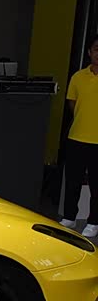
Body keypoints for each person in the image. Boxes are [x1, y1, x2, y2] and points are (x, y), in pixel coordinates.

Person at [61, 33, 98, 237]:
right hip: (77, 137)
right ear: (89, 52)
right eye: (96, 49)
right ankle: (69, 217)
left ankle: (94, 221)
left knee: (96, 186)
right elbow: (72, 103)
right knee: (73, 181)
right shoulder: (78, 77)